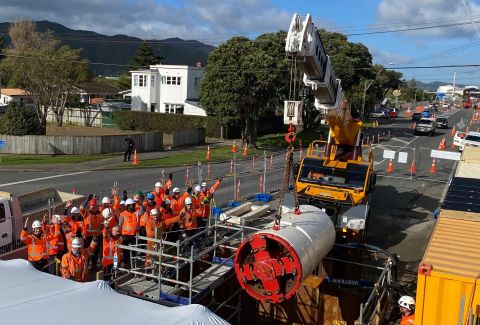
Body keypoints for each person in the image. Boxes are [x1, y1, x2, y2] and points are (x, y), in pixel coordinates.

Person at [82, 198, 103, 269]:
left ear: (96, 206)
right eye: (92, 206)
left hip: (97, 236)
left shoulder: (100, 214)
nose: (93, 208)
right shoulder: (87, 213)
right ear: (89, 206)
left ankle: (94, 265)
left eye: (94, 206)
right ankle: (86, 266)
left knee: (96, 252)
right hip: (88, 237)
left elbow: (102, 223)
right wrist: (86, 201)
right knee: (87, 252)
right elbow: (81, 208)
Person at [118, 198, 139, 267]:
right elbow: (120, 225)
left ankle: (133, 263)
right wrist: (120, 235)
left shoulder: (136, 213)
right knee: (125, 252)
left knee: (134, 251)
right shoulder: (122, 214)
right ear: (127, 206)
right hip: (125, 236)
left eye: (133, 205)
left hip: (134, 236)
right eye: (131, 205)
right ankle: (125, 263)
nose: (132, 206)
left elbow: (142, 211)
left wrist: (138, 202)